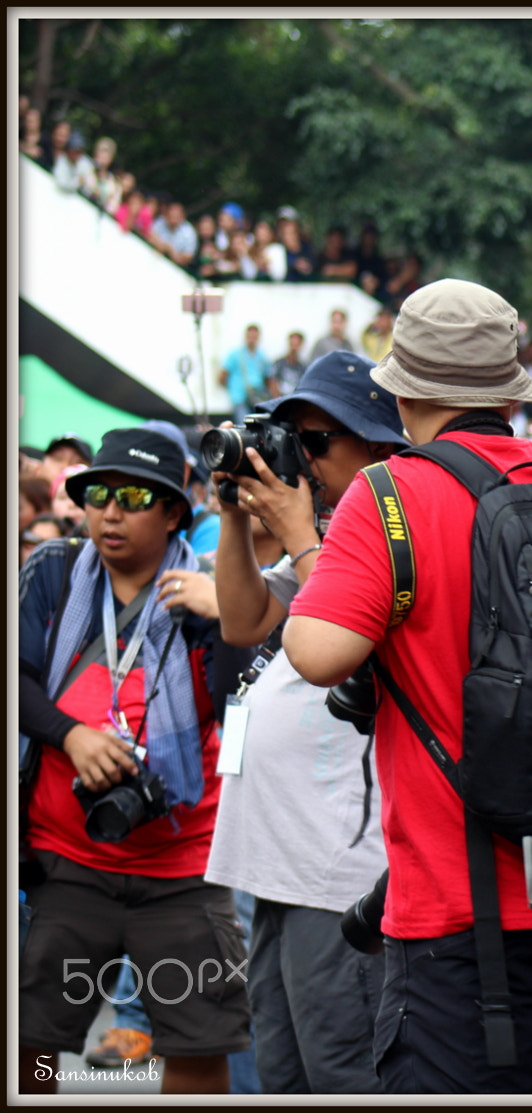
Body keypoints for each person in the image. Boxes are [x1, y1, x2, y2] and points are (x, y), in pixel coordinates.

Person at [281, 278, 532, 1094]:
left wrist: (299, 540)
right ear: (511, 383)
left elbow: (317, 652)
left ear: (404, 387)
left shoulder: (388, 496)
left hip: (463, 910)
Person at [200, 351, 409, 1093]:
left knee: (342, 1072)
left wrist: (296, 530)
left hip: (341, 873)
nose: (303, 460)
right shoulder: (330, 539)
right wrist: (232, 518)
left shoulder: (395, 538)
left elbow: (364, 638)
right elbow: (243, 617)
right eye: (294, 441)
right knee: (284, 1075)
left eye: (318, 443)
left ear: (381, 448)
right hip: (277, 866)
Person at [18, 428, 250, 1095]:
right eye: (97, 495)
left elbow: (239, 693)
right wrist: (70, 736)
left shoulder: (206, 594)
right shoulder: (56, 571)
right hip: (67, 865)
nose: (109, 512)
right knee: (34, 1039)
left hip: (184, 873)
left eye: (132, 497)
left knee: (201, 1046)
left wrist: (226, 605)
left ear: (175, 510)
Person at [219, 324, 272, 425]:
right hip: (240, 397)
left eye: (254, 337)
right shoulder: (235, 355)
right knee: (243, 424)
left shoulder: (261, 356)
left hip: (256, 398)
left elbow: (267, 378)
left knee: (258, 425)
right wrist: (233, 388)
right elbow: (222, 377)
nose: (252, 339)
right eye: (250, 336)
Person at [149, 199, 199, 270]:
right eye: (171, 214)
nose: (173, 218)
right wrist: (161, 245)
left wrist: (171, 251)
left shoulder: (189, 233)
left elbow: (187, 258)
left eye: (176, 216)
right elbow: (150, 234)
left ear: (182, 217)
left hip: (174, 268)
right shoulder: (161, 221)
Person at [271, 331, 308, 397]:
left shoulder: (304, 367)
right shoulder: (278, 364)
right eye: (292, 344)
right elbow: (272, 382)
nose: (294, 348)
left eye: (296, 344)